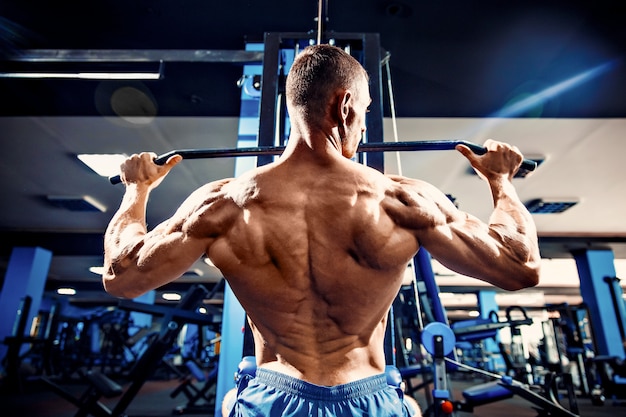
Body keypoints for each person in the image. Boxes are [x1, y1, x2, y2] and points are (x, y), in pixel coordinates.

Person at [103, 44, 541, 417]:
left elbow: (121, 277)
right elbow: (520, 267)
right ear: (345, 105)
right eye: (365, 111)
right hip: (366, 399)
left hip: (272, 395)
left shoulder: (222, 204)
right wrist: (500, 182)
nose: (365, 125)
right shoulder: (403, 201)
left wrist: (136, 191)